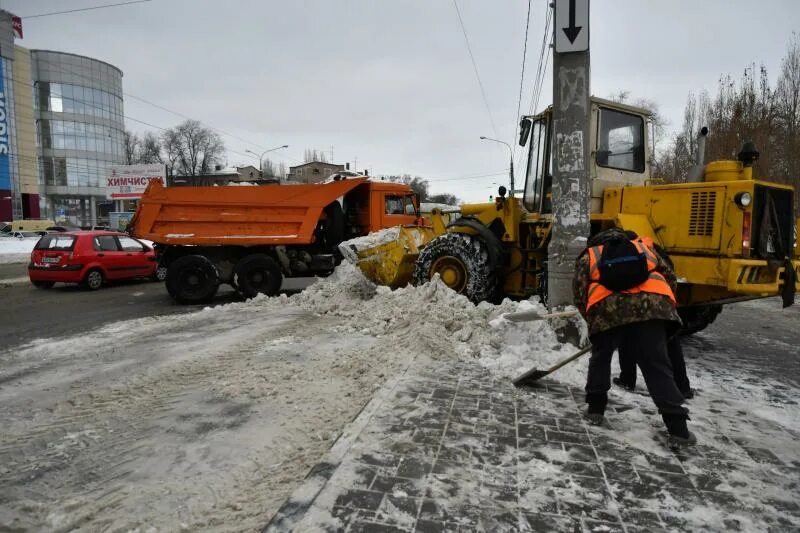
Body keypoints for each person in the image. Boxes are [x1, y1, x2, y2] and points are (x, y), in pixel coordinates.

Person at [573, 227, 695, 445]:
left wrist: (593, 319)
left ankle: (595, 409)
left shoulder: (590, 255)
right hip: (653, 310)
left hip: (606, 311)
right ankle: (678, 429)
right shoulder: (645, 249)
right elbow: (670, 278)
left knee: (601, 359)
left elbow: (580, 293)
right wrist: (661, 307)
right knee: (656, 365)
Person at [613, 232, 694, 399]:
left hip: (637, 301)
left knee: (627, 337)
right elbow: (670, 272)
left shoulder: (624, 251)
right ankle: (683, 387)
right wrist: (668, 298)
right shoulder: (652, 247)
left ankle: (627, 379)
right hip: (663, 299)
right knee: (671, 343)